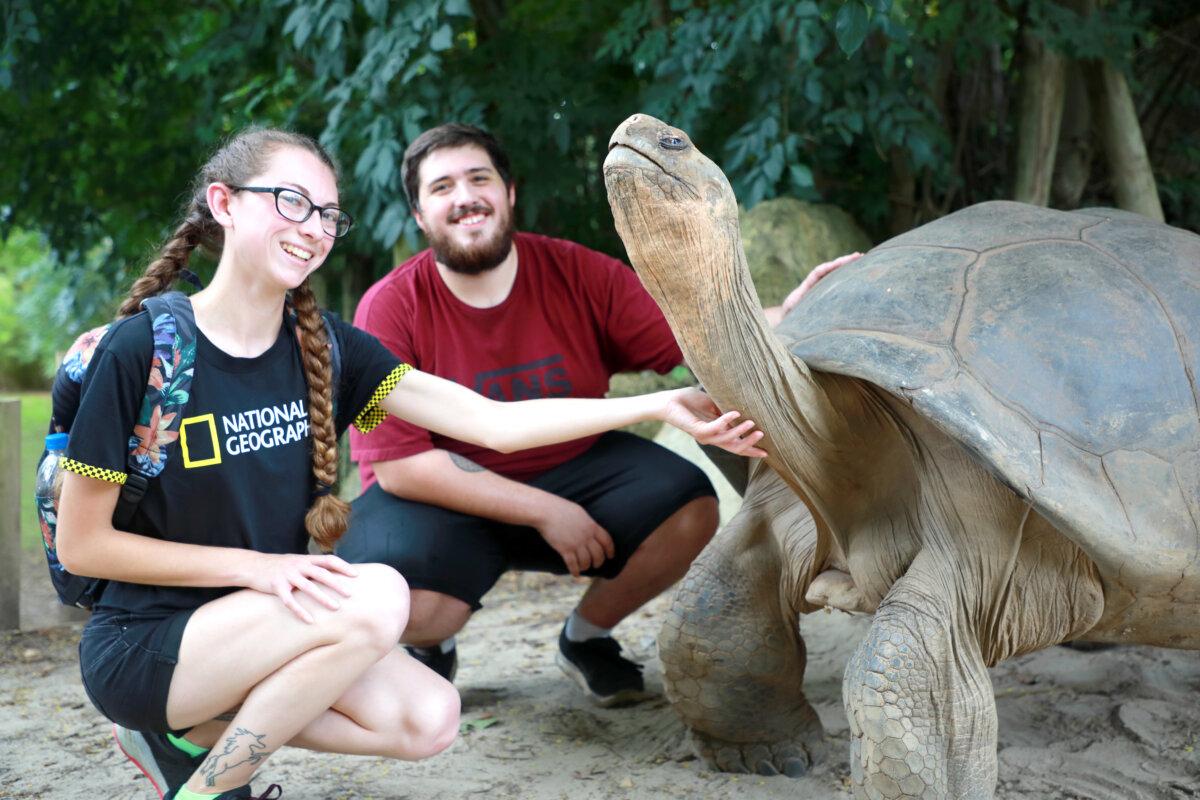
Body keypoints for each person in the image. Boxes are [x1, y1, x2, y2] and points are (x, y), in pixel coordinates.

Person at [55, 128, 767, 800]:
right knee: (378, 597)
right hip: (147, 642)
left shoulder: (330, 350)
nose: (312, 227)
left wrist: (664, 405)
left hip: (269, 624)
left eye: (329, 214)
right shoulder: (142, 351)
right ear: (223, 204)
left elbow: (493, 422)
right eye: (291, 201)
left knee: (430, 717)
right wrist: (260, 570)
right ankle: (211, 786)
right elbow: (83, 546)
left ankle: (183, 739)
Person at [339, 123, 857, 706]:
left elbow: (696, 339)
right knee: (393, 590)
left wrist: (782, 314)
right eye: (442, 188)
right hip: (449, 491)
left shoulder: (576, 272)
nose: (465, 197)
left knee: (688, 504)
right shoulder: (385, 307)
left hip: (575, 463)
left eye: (479, 178)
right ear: (419, 215)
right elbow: (403, 467)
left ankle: (585, 639)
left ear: (509, 193)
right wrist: (546, 511)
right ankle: (432, 642)